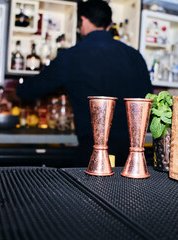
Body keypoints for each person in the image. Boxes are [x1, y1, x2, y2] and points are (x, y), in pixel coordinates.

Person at [16, 0, 153, 167]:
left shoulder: (72, 56)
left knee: (89, 192)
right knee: (125, 193)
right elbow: (148, 99)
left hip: (94, 151)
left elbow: (35, 87)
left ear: (83, 20)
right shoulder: (135, 56)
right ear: (109, 25)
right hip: (132, 153)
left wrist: (11, 96)